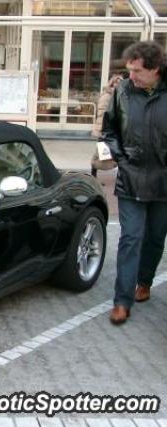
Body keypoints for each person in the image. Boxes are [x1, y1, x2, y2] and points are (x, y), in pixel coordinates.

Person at [101, 41, 167, 325]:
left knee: (154, 238)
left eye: (138, 71)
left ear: (156, 69)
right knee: (130, 239)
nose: (132, 76)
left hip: (164, 182)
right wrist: (120, 159)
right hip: (131, 178)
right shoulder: (123, 91)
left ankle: (144, 282)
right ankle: (122, 300)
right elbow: (109, 129)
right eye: (129, 70)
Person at [90, 73, 124, 177]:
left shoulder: (116, 95)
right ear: (112, 84)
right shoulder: (108, 96)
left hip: (110, 129)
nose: (119, 85)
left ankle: (95, 171)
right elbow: (103, 113)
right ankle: (94, 170)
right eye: (117, 83)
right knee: (102, 153)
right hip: (106, 129)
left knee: (106, 151)